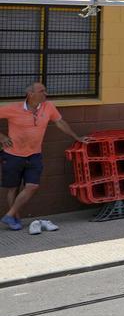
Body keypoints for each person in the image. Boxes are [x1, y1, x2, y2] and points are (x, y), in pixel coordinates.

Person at [1, 82, 88, 231]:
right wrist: (1, 137)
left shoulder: (48, 107)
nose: (45, 94)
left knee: (32, 186)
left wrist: (76, 137)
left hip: (34, 154)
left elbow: (60, 122)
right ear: (30, 94)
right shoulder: (13, 108)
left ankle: (9, 215)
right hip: (13, 155)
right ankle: (15, 219)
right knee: (13, 189)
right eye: (42, 91)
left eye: (45, 91)